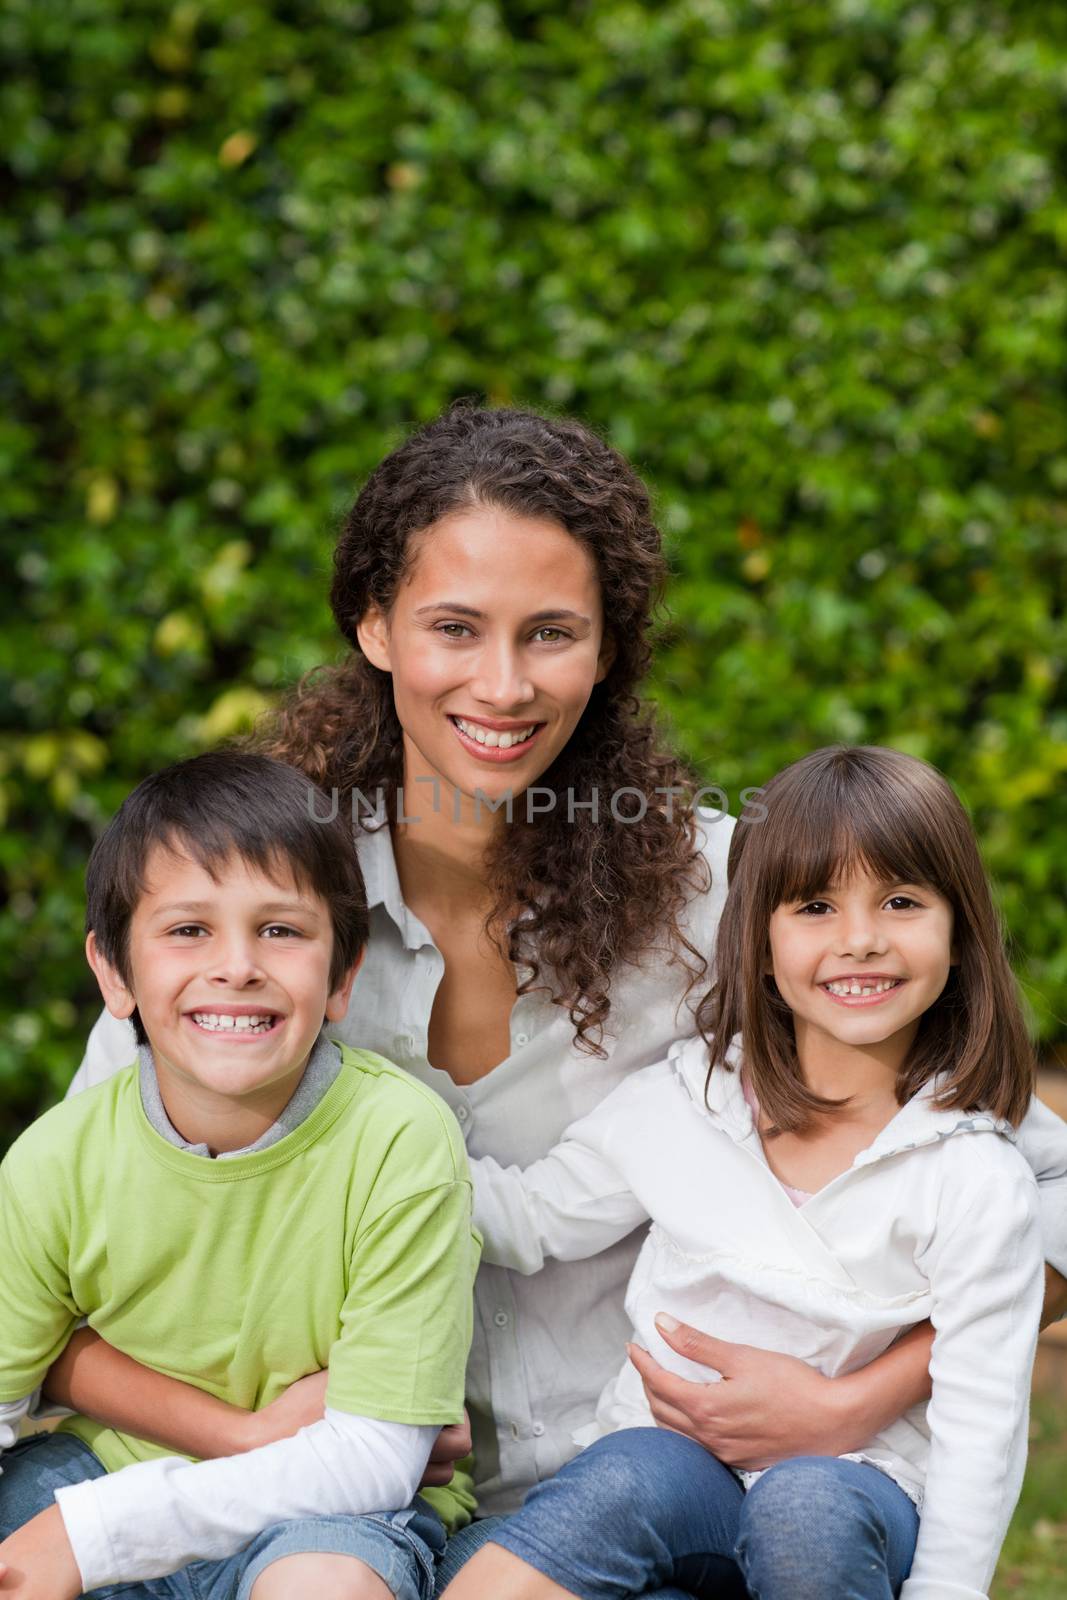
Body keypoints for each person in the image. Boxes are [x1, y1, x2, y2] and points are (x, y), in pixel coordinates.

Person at [51, 408, 1067, 1595]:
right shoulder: (249, 920)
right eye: (452, 627)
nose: (502, 683)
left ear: (607, 650)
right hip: (325, 1513)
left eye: (550, 633)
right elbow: (54, 1257)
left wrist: (846, 1400)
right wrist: (241, 1434)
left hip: (646, 1510)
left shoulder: (739, 900)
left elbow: (1036, 1194)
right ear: (373, 626)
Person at [443, 745, 1046, 1600]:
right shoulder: (683, 1102)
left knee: (805, 1504)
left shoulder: (970, 1172)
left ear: (958, 936)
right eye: (814, 906)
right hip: (677, 1468)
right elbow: (531, 1219)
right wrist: (355, 1145)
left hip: (865, 1486)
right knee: (621, 1479)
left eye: (901, 902)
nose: (860, 939)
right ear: (758, 943)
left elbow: (981, 1426)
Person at [0, 752, 479, 1600]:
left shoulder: (399, 1142)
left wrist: (100, 1533)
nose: (236, 966)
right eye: (188, 930)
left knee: (324, 1587)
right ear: (114, 971)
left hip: (331, 1508)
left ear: (343, 975)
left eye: (280, 930)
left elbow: (372, 1457)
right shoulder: (53, 1163)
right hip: (104, 1463)